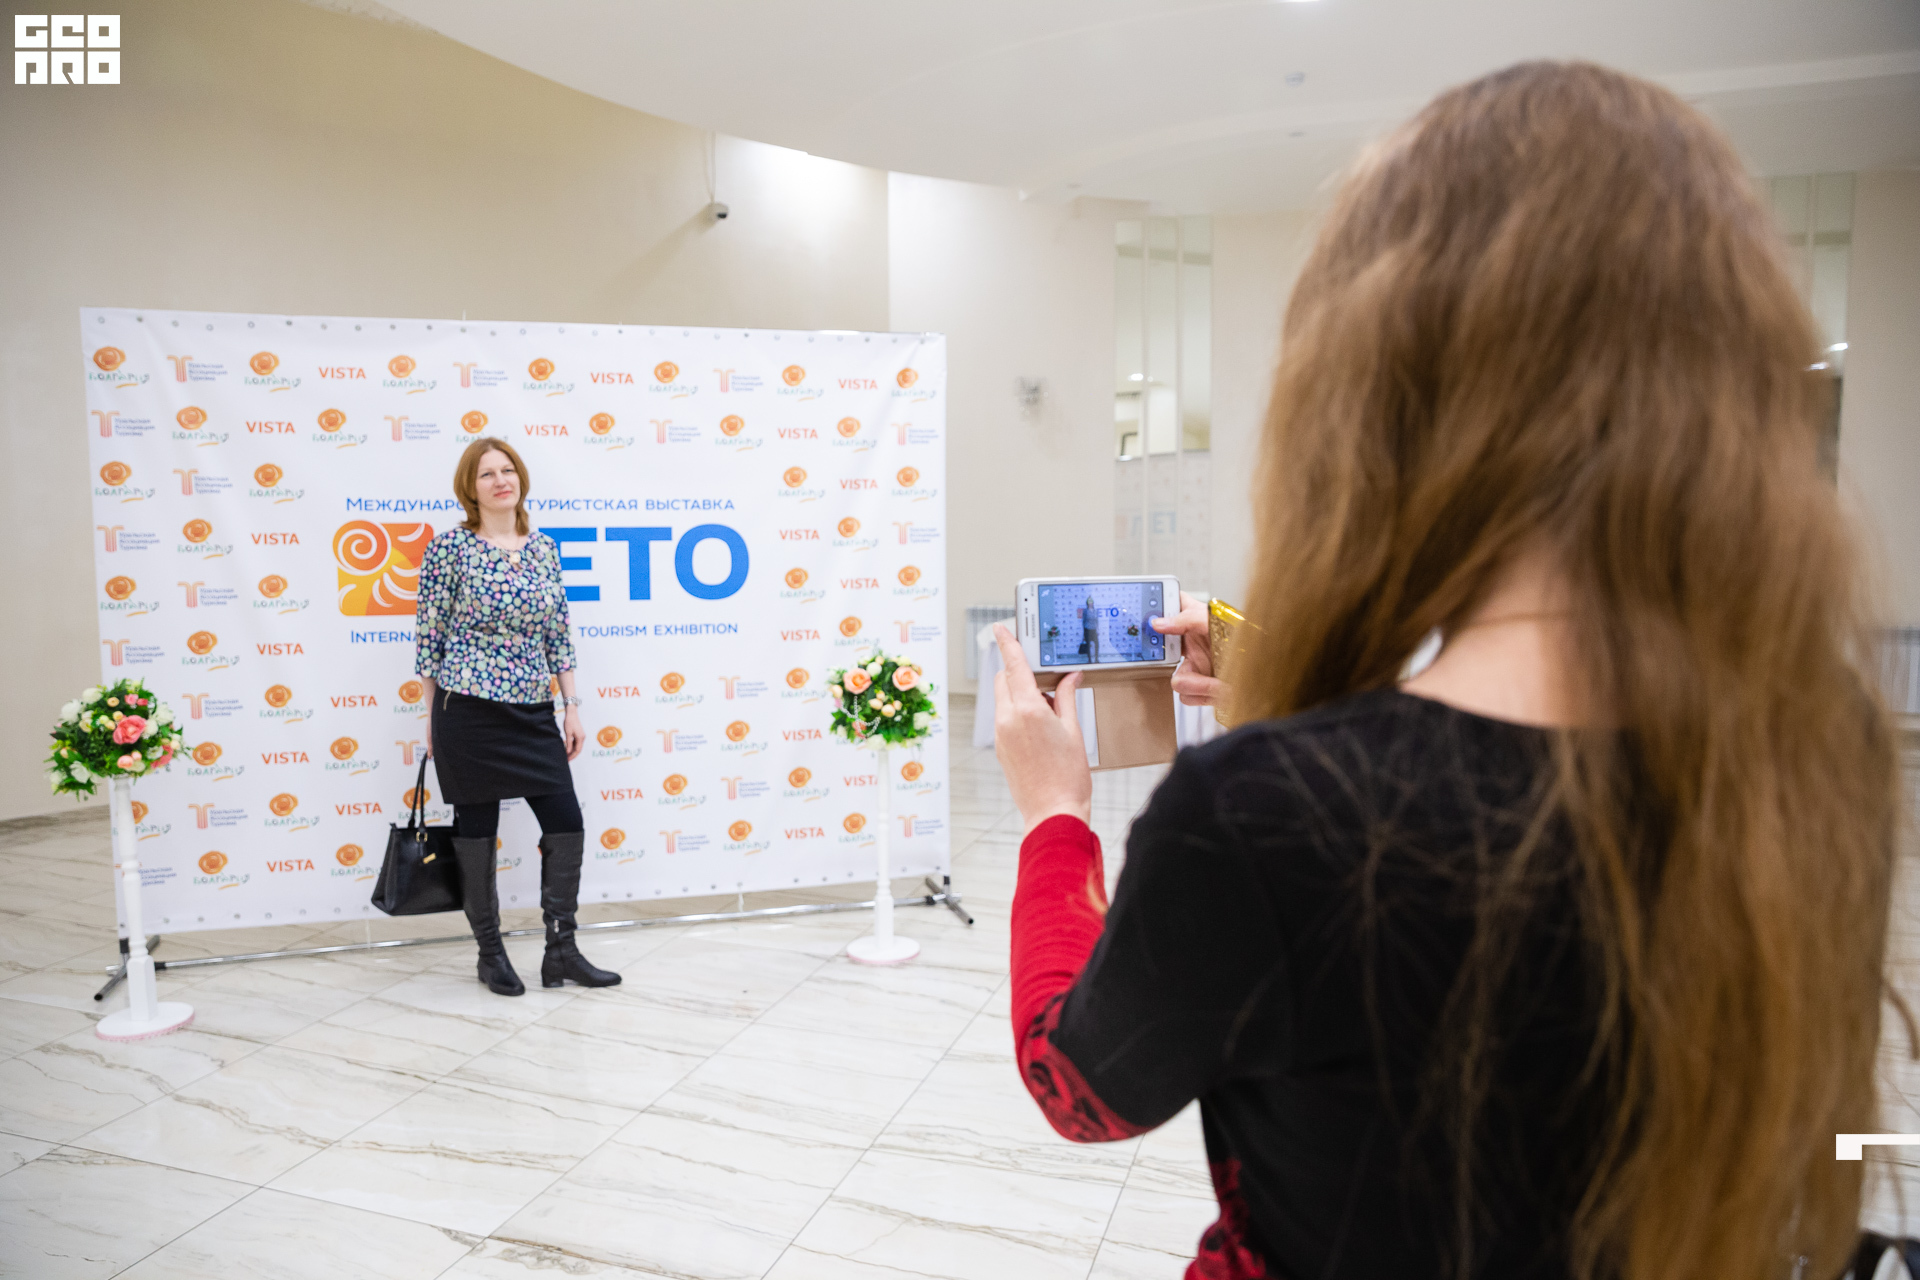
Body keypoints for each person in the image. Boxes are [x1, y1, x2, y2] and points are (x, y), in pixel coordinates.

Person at [993, 62, 1897, 1280]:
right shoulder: (1822, 740)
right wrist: (1293, 716)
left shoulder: (1251, 813)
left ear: (1376, 391)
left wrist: (1054, 817)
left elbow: (1081, 1083)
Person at [415, 436, 620, 996]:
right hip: (467, 712)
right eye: (487, 474)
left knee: (566, 822)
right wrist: (431, 718)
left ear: (521, 479)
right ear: (470, 487)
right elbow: (429, 638)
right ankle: (490, 954)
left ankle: (562, 952)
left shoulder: (543, 548)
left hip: (533, 712)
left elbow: (558, 633)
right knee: (477, 833)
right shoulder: (449, 549)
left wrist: (571, 707)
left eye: (508, 470)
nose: (500, 480)